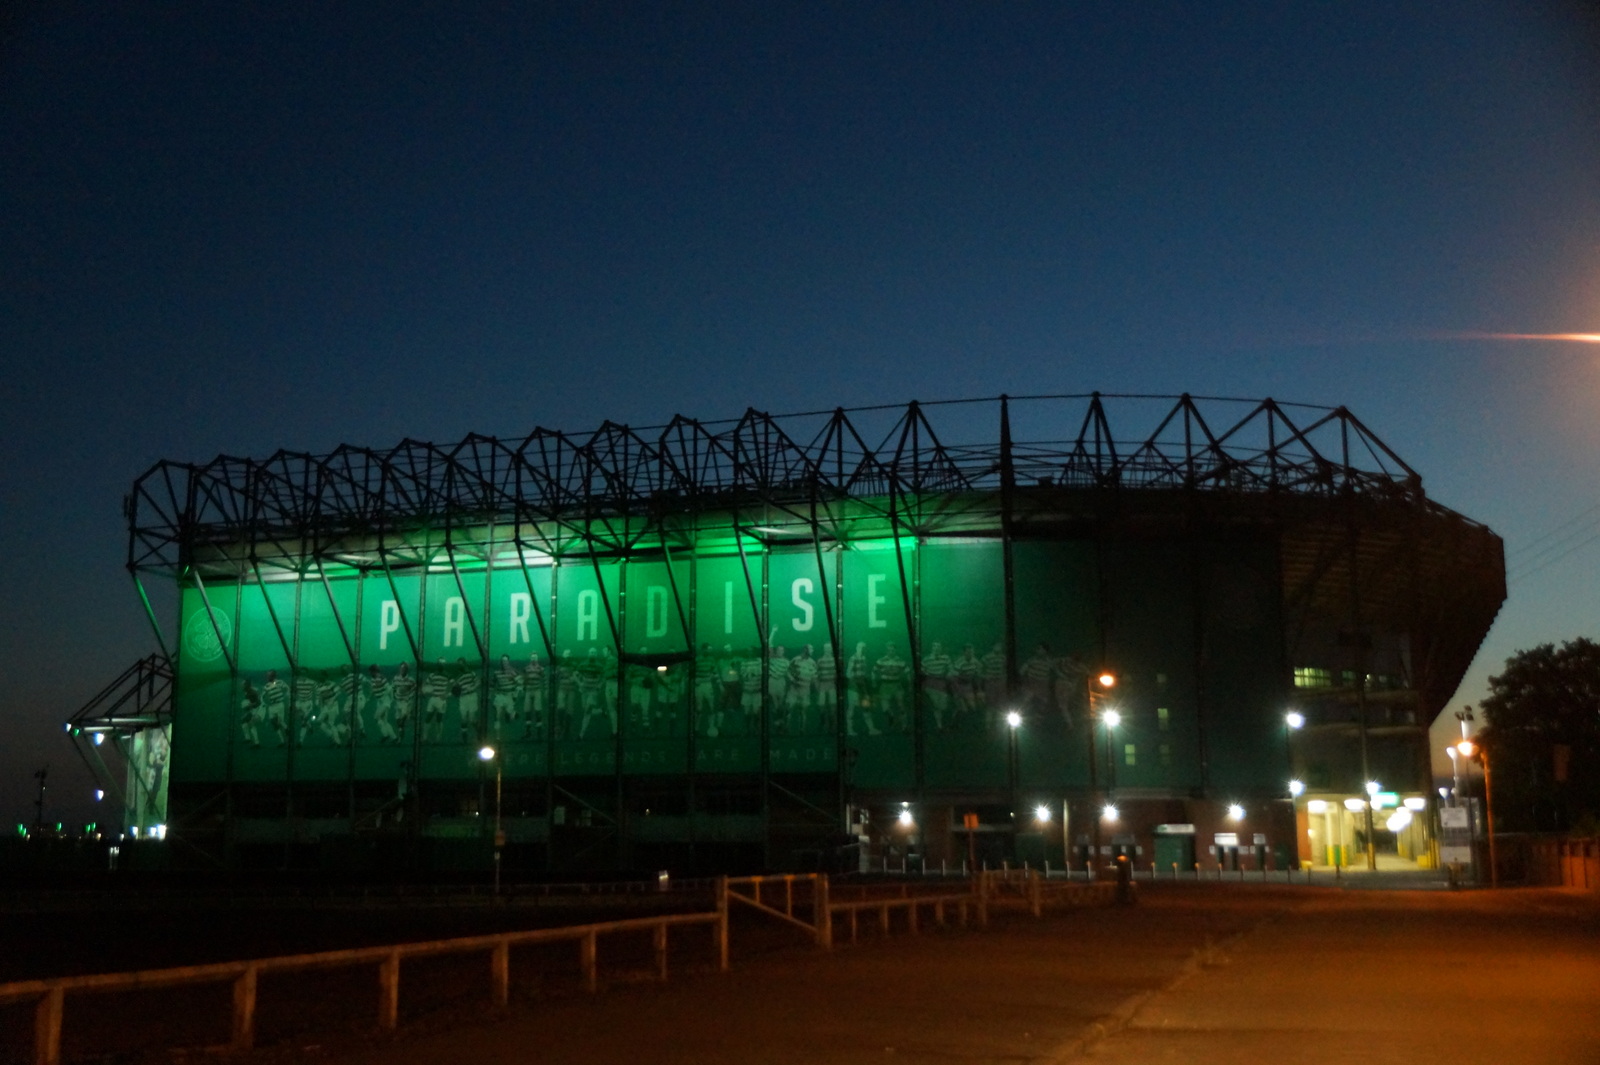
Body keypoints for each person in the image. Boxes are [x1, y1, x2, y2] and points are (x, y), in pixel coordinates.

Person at [874, 644, 910, 732]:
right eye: (889, 650)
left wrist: (909, 684)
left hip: (896, 685)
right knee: (885, 707)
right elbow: (874, 671)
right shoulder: (881, 660)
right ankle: (891, 716)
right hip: (885, 685)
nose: (891, 652)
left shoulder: (900, 661)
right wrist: (874, 682)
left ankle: (904, 726)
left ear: (895, 650)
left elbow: (908, 672)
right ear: (886, 651)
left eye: (892, 650)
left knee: (901, 706)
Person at [846, 641, 876, 735]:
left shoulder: (864, 658)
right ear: (857, 648)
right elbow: (848, 672)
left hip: (862, 685)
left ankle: (871, 729)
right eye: (860, 647)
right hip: (854, 685)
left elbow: (864, 672)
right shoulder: (853, 658)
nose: (862, 649)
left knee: (866, 706)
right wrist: (853, 683)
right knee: (851, 707)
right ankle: (850, 730)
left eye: (864, 648)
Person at [921, 641, 953, 730]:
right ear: (932, 648)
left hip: (942, 683)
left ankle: (939, 719)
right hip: (930, 682)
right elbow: (922, 670)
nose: (937, 648)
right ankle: (939, 725)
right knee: (936, 704)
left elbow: (950, 668)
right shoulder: (926, 659)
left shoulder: (946, 658)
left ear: (941, 648)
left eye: (939, 646)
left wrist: (949, 674)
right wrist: (926, 674)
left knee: (943, 706)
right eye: (935, 646)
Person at [788, 644, 819, 734]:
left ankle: (802, 729)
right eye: (811, 649)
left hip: (805, 689)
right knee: (790, 708)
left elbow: (814, 677)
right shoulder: (796, 659)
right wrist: (792, 679)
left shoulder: (812, 662)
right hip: (794, 689)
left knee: (804, 710)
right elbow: (788, 671)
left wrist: (816, 689)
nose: (812, 651)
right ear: (805, 650)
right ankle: (787, 728)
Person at [491, 654, 521, 738]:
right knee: (497, 715)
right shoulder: (497, 673)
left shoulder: (513, 672)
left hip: (509, 696)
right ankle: (498, 738)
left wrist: (515, 694)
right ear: (501, 662)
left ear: (508, 662)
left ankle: (512, 714)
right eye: (503, 661)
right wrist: (491, 694)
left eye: (506, 661)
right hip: (500, 695)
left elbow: (520, 684)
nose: (504, 663)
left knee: (511, 716)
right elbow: (492, 684)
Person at [422, 658, 451, 741]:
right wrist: (423, 690)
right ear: (438, 665)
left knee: (439, 719)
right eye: (440, 664)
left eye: (442, 664)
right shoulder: (432, 675)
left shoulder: (447, 675)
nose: (441, 665)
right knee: (428, 717)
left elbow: (452, 685)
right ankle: (425, 737)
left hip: (441, 700)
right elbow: (426, 683)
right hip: (433, 698)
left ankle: (438, 737)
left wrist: (446, 694)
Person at [368, 664, 398, 743]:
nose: (370, 673)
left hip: (385, 701)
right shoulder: (372, 679)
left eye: (371, 672)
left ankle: (386, 735)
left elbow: (389, 689)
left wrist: (391, 700)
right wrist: (368, 698)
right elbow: (373, 690)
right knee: (384, 721)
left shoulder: (382, 678)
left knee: (376, 717)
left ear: (374, 671)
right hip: (379, 701)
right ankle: (394, 738)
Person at [455, 657, 481, 741]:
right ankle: (464, 735)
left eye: (461, 663)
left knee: (472, 719)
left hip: (472, 696)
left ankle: (479, 731)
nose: (460, 665)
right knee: (463, 718)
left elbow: (478, 681)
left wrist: (473, 687)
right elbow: (456, 688)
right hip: (463, 698)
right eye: (459, 664)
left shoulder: (471, 673)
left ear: (465, 664)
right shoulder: (458, 676)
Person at [261, 670, 289, 745]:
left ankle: (287, 729)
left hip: (279, 704)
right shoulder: (267, 685)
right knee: (273, 722)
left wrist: (286, 696)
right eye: (267, 675)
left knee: (280, 721)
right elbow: (262, 696)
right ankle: (282, 741)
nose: (267, 677)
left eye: (269, 675)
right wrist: (264, 703)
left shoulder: (280, 682)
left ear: (273, 676)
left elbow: (287, 688)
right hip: (271, 706)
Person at [815, 642, 838, 734]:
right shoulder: (820, 660)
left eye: (829, 648)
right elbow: (816, 674)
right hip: (823, 685)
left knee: (833, 705)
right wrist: (817, 686)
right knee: (821, 705)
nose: (828, 649)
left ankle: (832, 726)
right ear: (824, 649)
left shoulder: (835, 660)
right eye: (826, 648)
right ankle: (823, 723)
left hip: (832, 685)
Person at [522, 654, 546, 738]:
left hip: (537, 690)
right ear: (530, 659)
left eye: (535, 658)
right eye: (532, 658)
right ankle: (528, 731)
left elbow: (545, 679)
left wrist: (546, 690)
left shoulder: (541, 669)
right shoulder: (526, 668)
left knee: (538, 710)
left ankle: (539, 731)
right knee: (527, 711)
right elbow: (524, 679)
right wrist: (523, 689)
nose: (533, 659)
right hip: (528, 690)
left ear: (537, 659)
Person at [390, 662, 417, 739]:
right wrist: (394, 696)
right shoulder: (396, 678)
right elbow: (393, 688)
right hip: (398, 701)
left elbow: (414, 688)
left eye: (404, 668)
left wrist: (410, 697)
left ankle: (408, 716)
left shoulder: (411, 680)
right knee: (398, 720)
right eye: (401, 668)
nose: (402, 670)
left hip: (406, 701)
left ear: (407, 670)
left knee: (403, 716)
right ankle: (401, 732)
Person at [239, 678, 263, 747]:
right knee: (243, 721)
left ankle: (257, 743)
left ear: (246, 685)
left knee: (251, 722)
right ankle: (248, 738)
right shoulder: (246, 691)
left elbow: (259, 702)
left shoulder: (252, 692)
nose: (241, 685)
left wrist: (250, 705)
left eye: (243, 684)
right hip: (253, 709)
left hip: (258, 709)